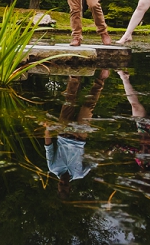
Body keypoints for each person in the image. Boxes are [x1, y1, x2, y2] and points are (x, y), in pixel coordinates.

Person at [44, 69, 109, 197]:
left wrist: (47, 129)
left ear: (58, 185)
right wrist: (109, 151)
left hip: (63, 131)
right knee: (88, 107)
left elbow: (48, 147)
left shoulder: (53, 167)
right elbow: (94, 162)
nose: (63, 182)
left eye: (61, 184)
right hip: (80, 136)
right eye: (66, 185)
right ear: (70, 187)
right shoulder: (80, 174)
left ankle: (75, 73)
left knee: (69, 100)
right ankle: (101, 78)